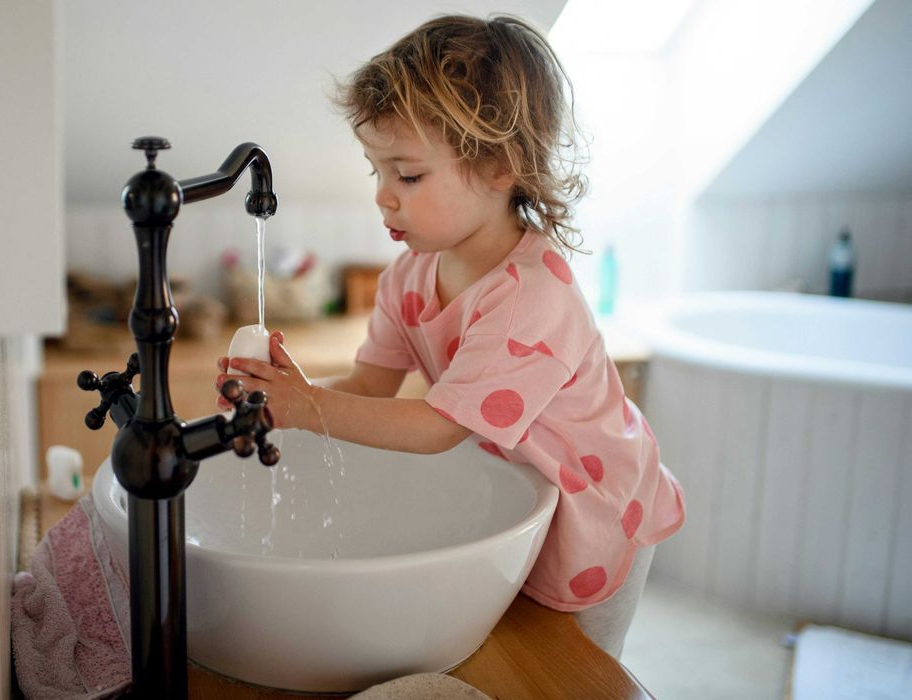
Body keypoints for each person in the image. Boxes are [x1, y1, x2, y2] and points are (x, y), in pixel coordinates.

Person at [216, 14, 684, 658]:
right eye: (374, 171)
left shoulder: (531, 299)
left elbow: (440, 427)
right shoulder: (409, 277)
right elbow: (368, 388)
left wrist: (306, 406)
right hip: (513, 487)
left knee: (572, 673)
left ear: (500, 167)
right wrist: (280, 397)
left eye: (407, 176)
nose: (383, 197)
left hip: (596, 508)